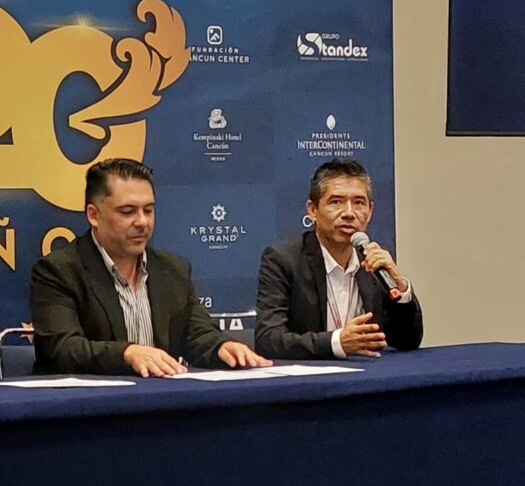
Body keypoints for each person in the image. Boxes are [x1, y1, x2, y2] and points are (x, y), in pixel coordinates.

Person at [30, 158, 271, 376]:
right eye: (127, 212)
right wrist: (128, 353)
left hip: (159, 402)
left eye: (148, 210)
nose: (142, 222)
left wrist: (222, 347)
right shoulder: (59, 271)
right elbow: (62, 349)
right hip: (91, 406)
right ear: (94, 215)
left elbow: (196, 333)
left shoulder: (172, 269)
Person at [254, 159, 423, 360]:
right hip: (312, 375)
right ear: (312, 210)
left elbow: (407, 340)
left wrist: (400, 287)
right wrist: (336, 342)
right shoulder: (283, 259)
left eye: (359, 203)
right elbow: (268, 340)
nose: (349, 213)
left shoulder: (373, 262)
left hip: (369, 372)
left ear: (370, 212)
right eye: (336, 202)